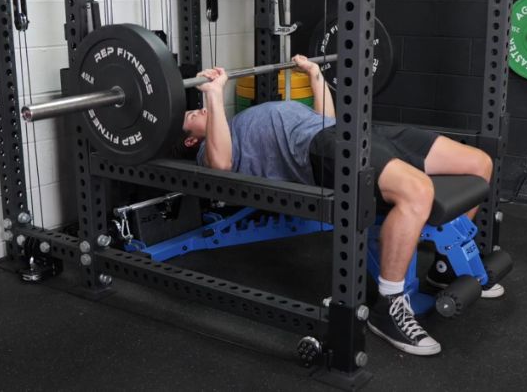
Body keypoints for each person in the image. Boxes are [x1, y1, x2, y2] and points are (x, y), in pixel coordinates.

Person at [171, 55, 503, 356]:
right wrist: (213, 95)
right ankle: (389, 307)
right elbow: (222, 164)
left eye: (198, 107)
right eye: (193, 115)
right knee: (418, 191)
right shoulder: (210, 150)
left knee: (479, 163)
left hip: (348, 132)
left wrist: (316, 76)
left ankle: (443, 267)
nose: (199, 111)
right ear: (190, 140)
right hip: (320, 150)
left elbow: (324, 118)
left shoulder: (235, 123)